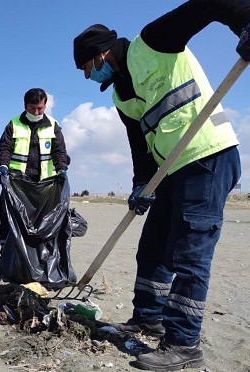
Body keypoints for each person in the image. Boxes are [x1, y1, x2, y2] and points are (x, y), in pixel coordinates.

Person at [73, 1, 250, 369]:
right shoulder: (122, 96)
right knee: (152, 247)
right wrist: (141, 184)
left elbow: (210, 3)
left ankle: (184, 345)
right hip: (167, 170)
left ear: (101, 53)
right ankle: (148, 317)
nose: (89, 75)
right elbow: (139, 144)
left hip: (207, 156)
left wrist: (246, 20)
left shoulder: (152, 42)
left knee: (189, 254)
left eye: (87, 67)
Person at [0, 88, 70, 242]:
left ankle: (39, 255)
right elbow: (5, 148)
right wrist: (3, 166)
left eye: (40, 108)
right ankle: (6, 250)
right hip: (18, 182)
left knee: (41, 219)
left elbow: (59, 150)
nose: (36, 112)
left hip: (44, 184)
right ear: (25, 106)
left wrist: (62, 168)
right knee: (9, 214)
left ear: (45, 106)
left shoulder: (53, 124)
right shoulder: (13, 124)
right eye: (32, 108)